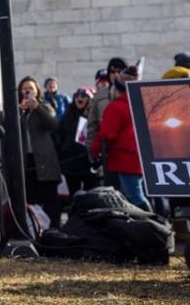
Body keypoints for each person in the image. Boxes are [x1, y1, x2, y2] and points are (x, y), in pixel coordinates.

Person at [90, 66, 150, 211]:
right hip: (139, 157)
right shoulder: (140, 105)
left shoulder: (115, 107)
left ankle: (156, 224)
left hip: (124, 159)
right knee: (133, 195)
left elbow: (107, 135)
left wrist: (93, 151)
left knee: (134, 196)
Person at [17, 76, 62, 227]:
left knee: (50, 199)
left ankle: (54, 228)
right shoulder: (18, 110)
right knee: (31, 199)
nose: (27, 91)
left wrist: (37, 108)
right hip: (27, 161)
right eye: (24, 88)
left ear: (37, 91)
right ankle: (35, 229)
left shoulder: (45, 106)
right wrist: (19, 112)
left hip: (44, 162)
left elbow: (54, 125)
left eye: (31, 88)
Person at [86, 57, 128, 186]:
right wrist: (92, 151)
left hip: (129, 151)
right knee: (113, 189)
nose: (115, 75)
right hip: (107, 151)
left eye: (119, 71)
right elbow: (92, 125)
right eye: (112, 72)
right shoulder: (100, 95)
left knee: (133, 192)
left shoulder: (133, 92)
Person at [56, 87, 98, 199]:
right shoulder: (68, 114)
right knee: (74, 195)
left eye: (83, 96)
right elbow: (59, 134)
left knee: (91, 194)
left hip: (88, 161)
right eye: (77, 96)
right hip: (71, 162)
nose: (79, 98)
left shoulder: (93, 115)